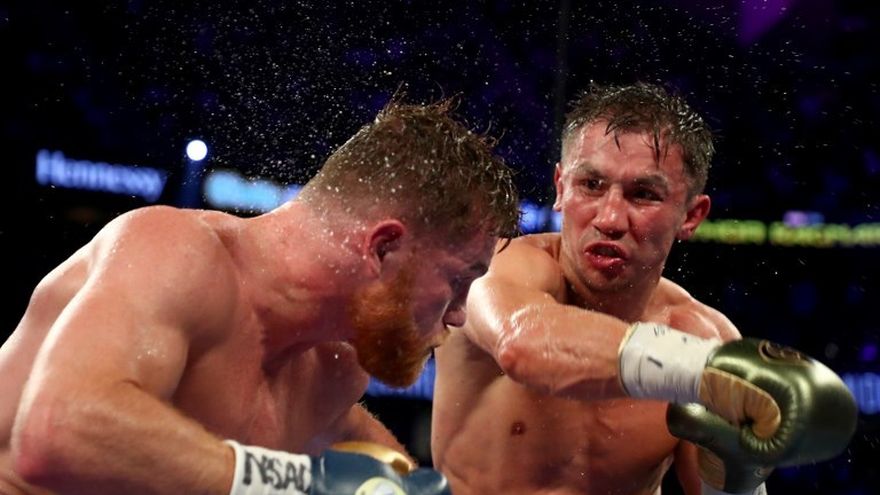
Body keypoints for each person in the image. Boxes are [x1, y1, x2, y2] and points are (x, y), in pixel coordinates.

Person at [0, 97, 520, 495]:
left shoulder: (333, 369)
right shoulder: (175, 255)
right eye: (458, 280)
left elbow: (339, 434)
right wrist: (296, 483)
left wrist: (406, 483)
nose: (459, 314)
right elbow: (56, 431)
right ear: (383, 248)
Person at [431, 83, 857, 495]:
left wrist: (737, 475)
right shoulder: (499, 269)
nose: (610, 219)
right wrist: (709, 371)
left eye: (643, 194)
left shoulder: (701, 334)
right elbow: (522, 343)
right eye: (591, 185)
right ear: (560, 188)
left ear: (691, 215)